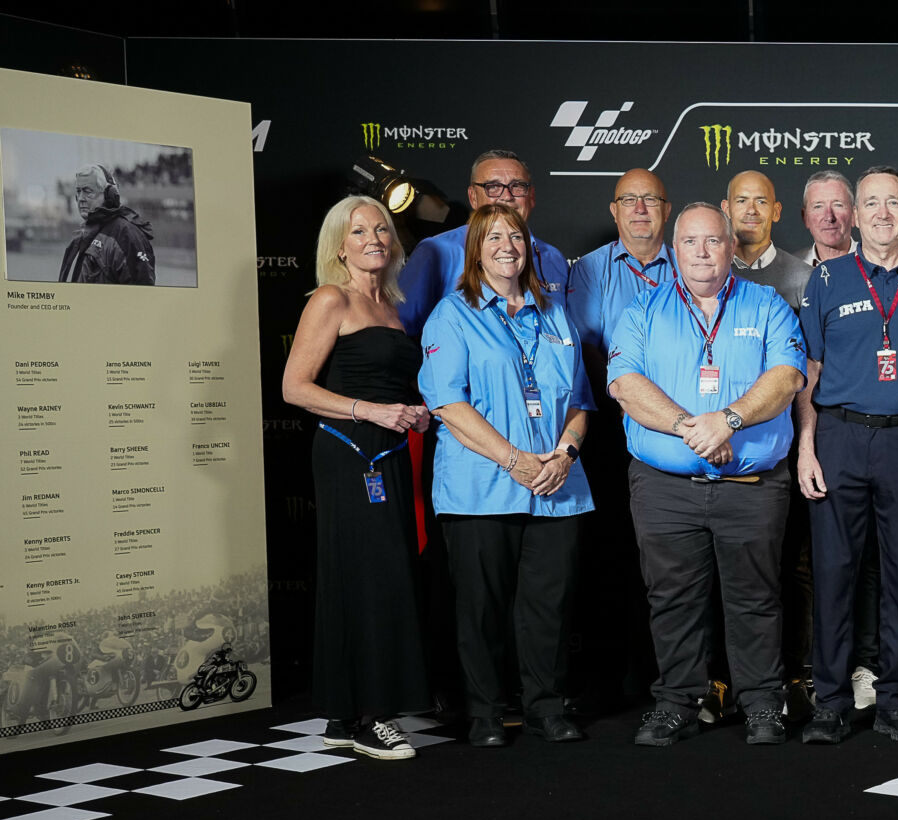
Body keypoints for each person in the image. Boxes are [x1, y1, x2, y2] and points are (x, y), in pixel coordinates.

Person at [608, 203, 807, 747]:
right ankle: (678, 701)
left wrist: (730, 420)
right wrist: (690, 429)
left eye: (713, 242)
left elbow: (787, 376)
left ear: (731, 248)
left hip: (752, 488)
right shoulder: (642, 309)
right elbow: (625, 384)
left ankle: (763, 702)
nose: (701, 252)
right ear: (675, 251)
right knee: (672, 598)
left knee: (757, 597)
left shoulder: (767, 303)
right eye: (690, 242)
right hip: (664, 489)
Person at [418, 204, 595, 747]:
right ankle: (485, 713)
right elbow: (447, 403)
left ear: (529, 246)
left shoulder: (555, 313)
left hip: (557, 488)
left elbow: (580, 401)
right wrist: (513, 459)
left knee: (549, 609)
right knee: (482, 609)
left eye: (515, 235)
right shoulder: (452, 314)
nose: (506, 246)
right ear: (475, 249)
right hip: (481, 490)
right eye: (492, 237)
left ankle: (545, 707)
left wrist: (564, 453)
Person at [794, 167, 898, 743]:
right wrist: (806, 448)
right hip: (837, 437)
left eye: (894, 203)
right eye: (871, 204)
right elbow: (807, 372)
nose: (883, 213)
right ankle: (831, 703)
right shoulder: (827, 279)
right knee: (834, 574)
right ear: (854, 216)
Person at [279, 195, 433, 759]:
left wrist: (411, 411)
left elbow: (393, 387)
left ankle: (345, 714)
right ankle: (373, 716)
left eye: (382, 230)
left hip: (391, 453)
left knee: (380, 576)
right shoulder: (330, 298)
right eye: (359, 231)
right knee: (367, 578)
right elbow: (294, 389)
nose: (373, 239)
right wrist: (371, 411)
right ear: (339, 246)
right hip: (349, 453)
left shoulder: (393, 307)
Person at [399, 150, 569, 335]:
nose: (507, 196)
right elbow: (401, 330)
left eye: (517, 186)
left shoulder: (553, 258)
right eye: (493, 187)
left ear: (532, 196)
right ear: (473, 196)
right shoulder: (437, 251)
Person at [566, 167, 674, 383]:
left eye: (650, 199)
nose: (640, 208)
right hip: (615, 404)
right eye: (628, 200)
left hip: (684, 400)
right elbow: (584, 347)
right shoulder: (590, 268)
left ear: (667, 210)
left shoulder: (690, 266)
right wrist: (628, 398)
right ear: (614, 211)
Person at [725, 170, 810, 308]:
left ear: (776, 212)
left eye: (761, 201)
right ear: (726, 209)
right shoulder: (710, 273)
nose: (751, 210)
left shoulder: (804, 278)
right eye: (741, 201)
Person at [60, 164, 154, 285]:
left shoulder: (126, 235)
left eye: (88, 191)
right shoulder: (89, 232)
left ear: (109, 195)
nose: (81, 198)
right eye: (79, 191)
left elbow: (141, 294)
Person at [794, 170, 857, 268]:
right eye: (818, 206)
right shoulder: (790, 269)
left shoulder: (877, 262)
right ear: (805, 218)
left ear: (854, 215)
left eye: (838, 205)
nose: (829, 217)